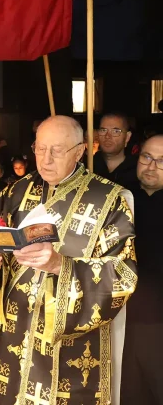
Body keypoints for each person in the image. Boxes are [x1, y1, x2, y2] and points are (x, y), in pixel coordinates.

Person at [0, 115, 137, 404]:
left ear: (80, 151)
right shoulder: (17, 191)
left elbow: (123, 274)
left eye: (57, 150)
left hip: (70, 341)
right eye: (39, 148)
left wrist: (61, 265)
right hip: (17, 330)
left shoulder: (109, 199)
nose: (45, 159)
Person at [121, 135, 163, 404]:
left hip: (159, 317)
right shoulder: (119, 197)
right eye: (147, 157)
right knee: (128, 390)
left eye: (161, 161)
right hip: (122, 314)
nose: (151, 166)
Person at [93, 112, 138, 188]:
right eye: (103, 130)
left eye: (116, 131)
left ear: (127, 137)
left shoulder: (137, 172)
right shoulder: (88, 166)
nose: (107, 136)